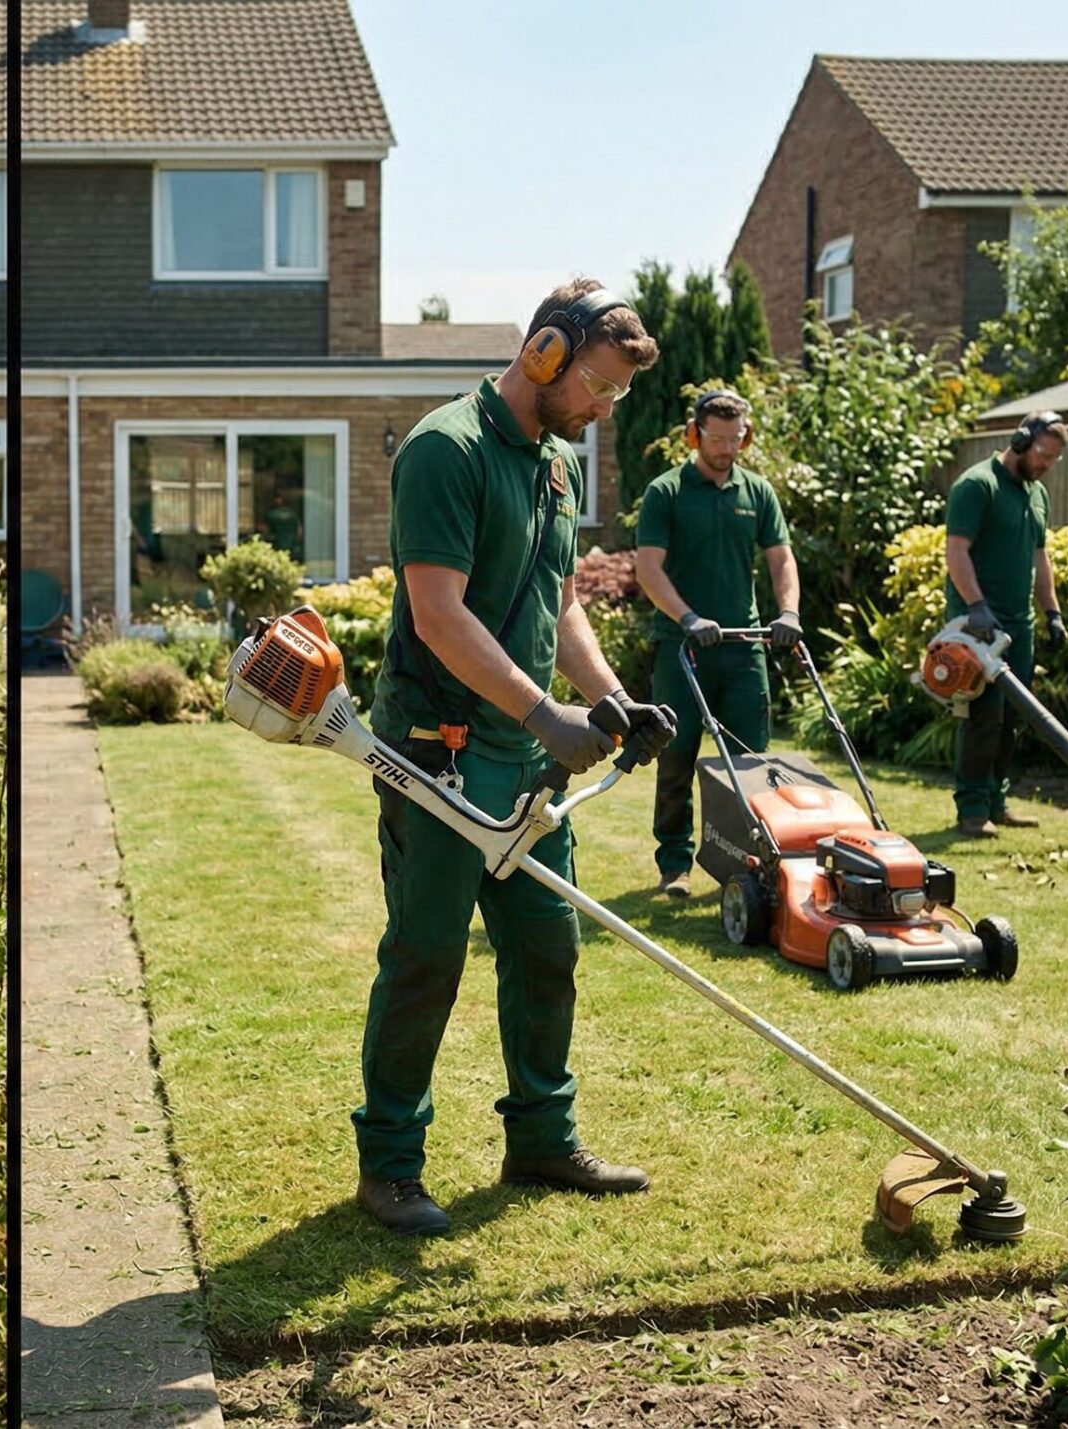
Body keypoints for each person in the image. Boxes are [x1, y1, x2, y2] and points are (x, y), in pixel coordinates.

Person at [355, 278, 676, 1236]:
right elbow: (438, 615)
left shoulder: (553, 463)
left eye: (616, 396)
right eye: (599, 387)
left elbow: (561, 602)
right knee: (426, 956)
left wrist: (609, 700)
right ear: (544, 353)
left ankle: (541, 1136)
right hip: (438, 749)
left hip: (523, 750)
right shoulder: (444, 450)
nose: (604, 409)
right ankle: (391, 1165)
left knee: (547, 946)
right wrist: (549, 717)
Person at [633, 390, 800, 898]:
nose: (727, 449)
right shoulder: (667, 491)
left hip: (743, 644)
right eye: (717, 439)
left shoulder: (757, 492)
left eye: (735, 439)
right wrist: (686, 616)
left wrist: (788, 612)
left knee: (751, 762)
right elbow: (648, 567)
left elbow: (780, 559)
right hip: (681, 648)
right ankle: (675, 864)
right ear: (695, 434)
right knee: (677, 756)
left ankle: (750, 861)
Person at [943, 410, 1068, 838]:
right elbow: (957, 551)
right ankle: (972, 808)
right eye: (1042, 454)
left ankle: (996, 802)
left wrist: (1052, 612)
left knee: (1014, 716)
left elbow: (1039, 557)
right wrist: (976, 606)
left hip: (1018, 625)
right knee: (983, 716)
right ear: (1021, 441)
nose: (1046, 465)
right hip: (977, 626)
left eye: (1053, 459)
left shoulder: (1037, 494)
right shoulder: (978, 485)